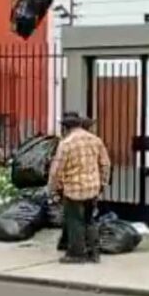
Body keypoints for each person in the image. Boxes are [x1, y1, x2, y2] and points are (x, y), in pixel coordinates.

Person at [48, 112, 110, 264]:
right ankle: (94, 253)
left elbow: (56, 170)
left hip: (74, 189)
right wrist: (103, 182)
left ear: (65, 128)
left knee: (75, 221)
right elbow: (106, 163)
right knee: (90, 220)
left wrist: (54, 188)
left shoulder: (66, 143)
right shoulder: (95, 140)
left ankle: (76, 254)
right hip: (93, 187)